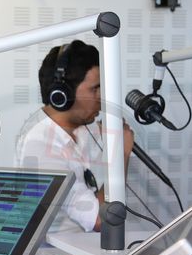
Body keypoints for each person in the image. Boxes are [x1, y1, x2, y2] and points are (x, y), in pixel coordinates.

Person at [15, 40, 134, 233]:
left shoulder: (77, 127)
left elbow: (99, 133)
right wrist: (121, 155)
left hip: (82, 244)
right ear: (63, 95)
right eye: (94, 89)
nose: (101, 98)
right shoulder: (40, 146)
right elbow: (101, 219)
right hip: (58, 250)